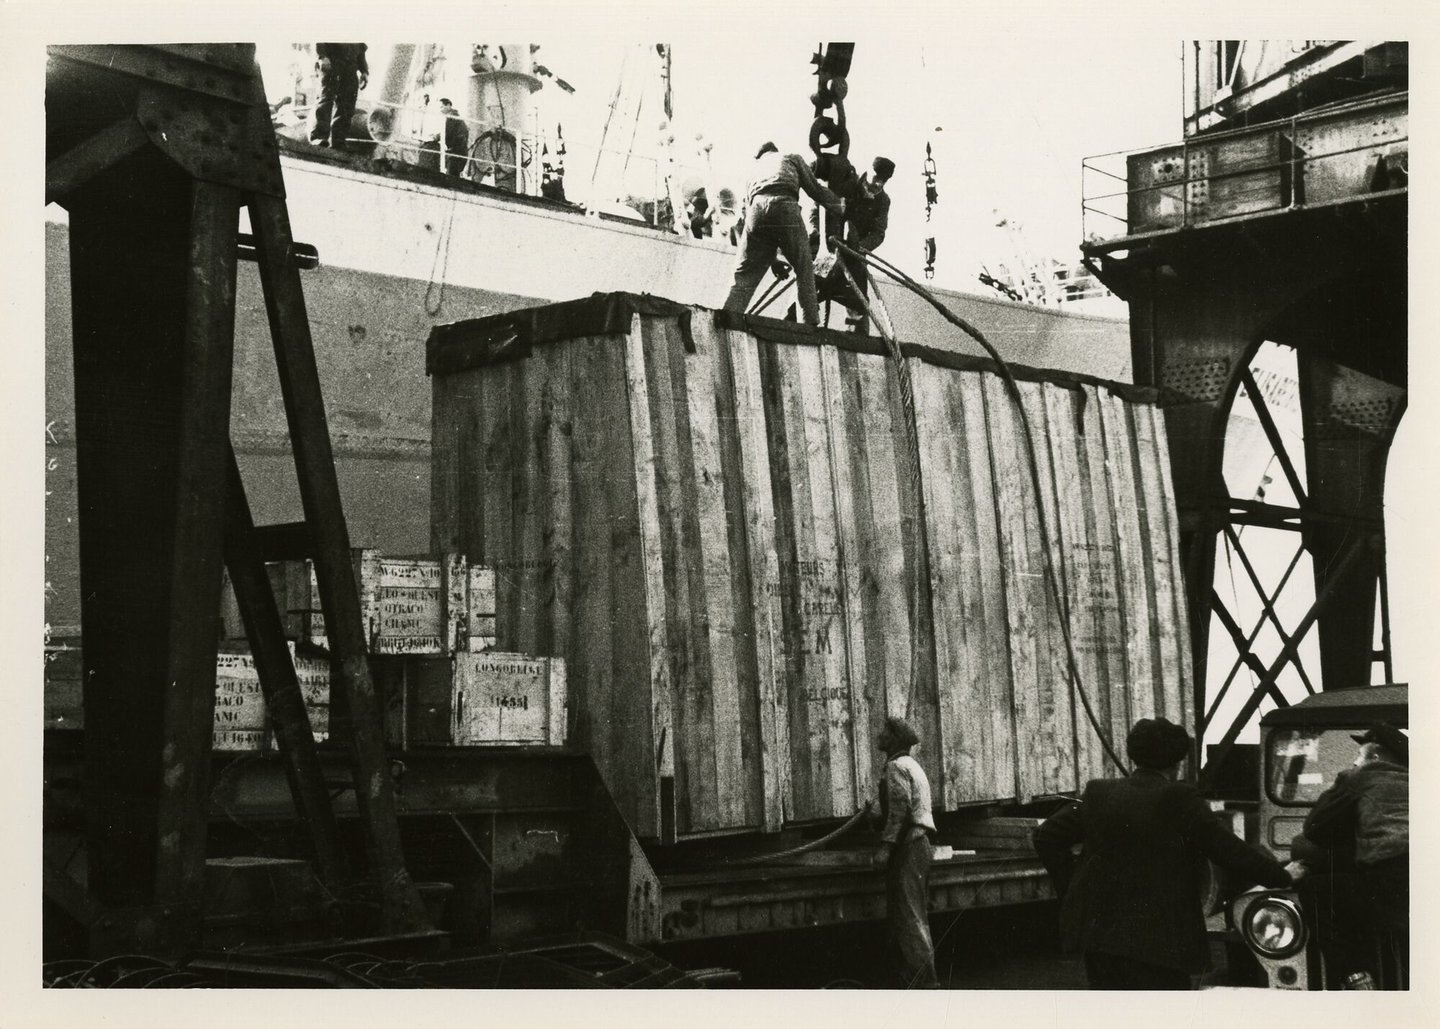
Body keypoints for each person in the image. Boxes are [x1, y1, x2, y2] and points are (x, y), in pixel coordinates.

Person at [1033, 717, 1292, 989]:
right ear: (1176, 763)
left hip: (1100, 939)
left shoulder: (1099, 793)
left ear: (1134, 754)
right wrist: (1282, 876)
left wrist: (1073, 889)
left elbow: (1046, 836)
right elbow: (1229, 851)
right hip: (1159, 944)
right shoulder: (1178, 799)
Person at [1288, 722, 1408, 989]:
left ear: (1374, 757)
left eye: (1357, 757)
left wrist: (1340, 782)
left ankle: (1356, 976)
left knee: (1318, 890)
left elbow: (1315, 829)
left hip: (1391, 881)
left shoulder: (1363, 777)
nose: (1354, 763)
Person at [723, 142, 843, 326]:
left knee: (743, 275)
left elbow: (754, 219)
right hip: (784, 205)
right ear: (774, 151)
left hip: (755, 212)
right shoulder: (791, 157)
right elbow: (815, 191)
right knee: (803, 267)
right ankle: (809, 322)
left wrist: (773, 260)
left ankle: (727, 317)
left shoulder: (752, 172)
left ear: (760, 156)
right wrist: (841, 207)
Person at [873, 716, 940, 988]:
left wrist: (885, 848)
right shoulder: (911, 765)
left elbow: (899, 812)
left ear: (894, 739)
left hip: (909, 848)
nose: (880, 735)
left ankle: (925, 982)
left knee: (910, 918)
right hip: (919, 845)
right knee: (912, 914)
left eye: (885, 732)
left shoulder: (896, 767)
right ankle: (914, 977)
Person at [839, 156, 894, 331]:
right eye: (877, 178)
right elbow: (821, 206)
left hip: (856, 251)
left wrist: (859, 248)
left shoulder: (883, 201)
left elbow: (878, 233)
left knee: (859, 299)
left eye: (883, 181)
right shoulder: (848, 184)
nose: (879, 184)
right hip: (833, 244)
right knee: (811, 286)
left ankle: (858, 333)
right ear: (869, 171)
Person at [310, 44, 369, 151]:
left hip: (351, 67)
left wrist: (364, 71)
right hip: (331, 62)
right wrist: (322, 57)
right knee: (325, 99)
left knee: (347, 105)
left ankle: (338, 141)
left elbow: (360, 48)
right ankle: (318, 136)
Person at [438, 98, 470, 178]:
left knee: (451, 178)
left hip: (456, 153)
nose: (440, 110)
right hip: (459, 152)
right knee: (453, 176)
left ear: (448, 105)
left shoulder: (452, 117)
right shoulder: (455, 116)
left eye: (441, 107)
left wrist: (436, 137)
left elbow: (447, 132)